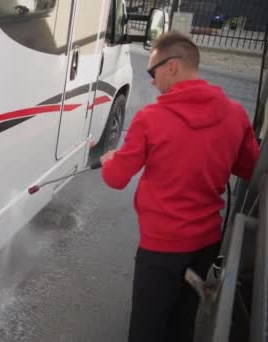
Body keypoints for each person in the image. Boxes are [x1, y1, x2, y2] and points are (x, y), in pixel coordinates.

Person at [99, 31, 260, 342]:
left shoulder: (150, 118)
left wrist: (109, 160)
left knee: (147, 327)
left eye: (152, 71)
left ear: (172, 66)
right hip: (205, 246)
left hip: (160, 250)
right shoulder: (235, 115)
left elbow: (116, 178)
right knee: (182, 323)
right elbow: (249, 168)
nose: (151, 80)